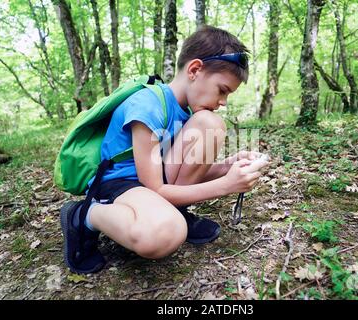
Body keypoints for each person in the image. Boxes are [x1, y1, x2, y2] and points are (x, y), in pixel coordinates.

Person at [60, 25, 269, 274]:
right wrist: (226, 185)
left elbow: (177, 173)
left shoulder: (192, 113)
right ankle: (84, 215)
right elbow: (156, 187)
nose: (223, 102)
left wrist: (229, 166)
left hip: (150, 183)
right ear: (195, 69)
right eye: (222, 90)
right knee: (165, 235)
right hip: (119, 183)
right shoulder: (148, 105)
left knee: (210, 123)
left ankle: (175, 210)